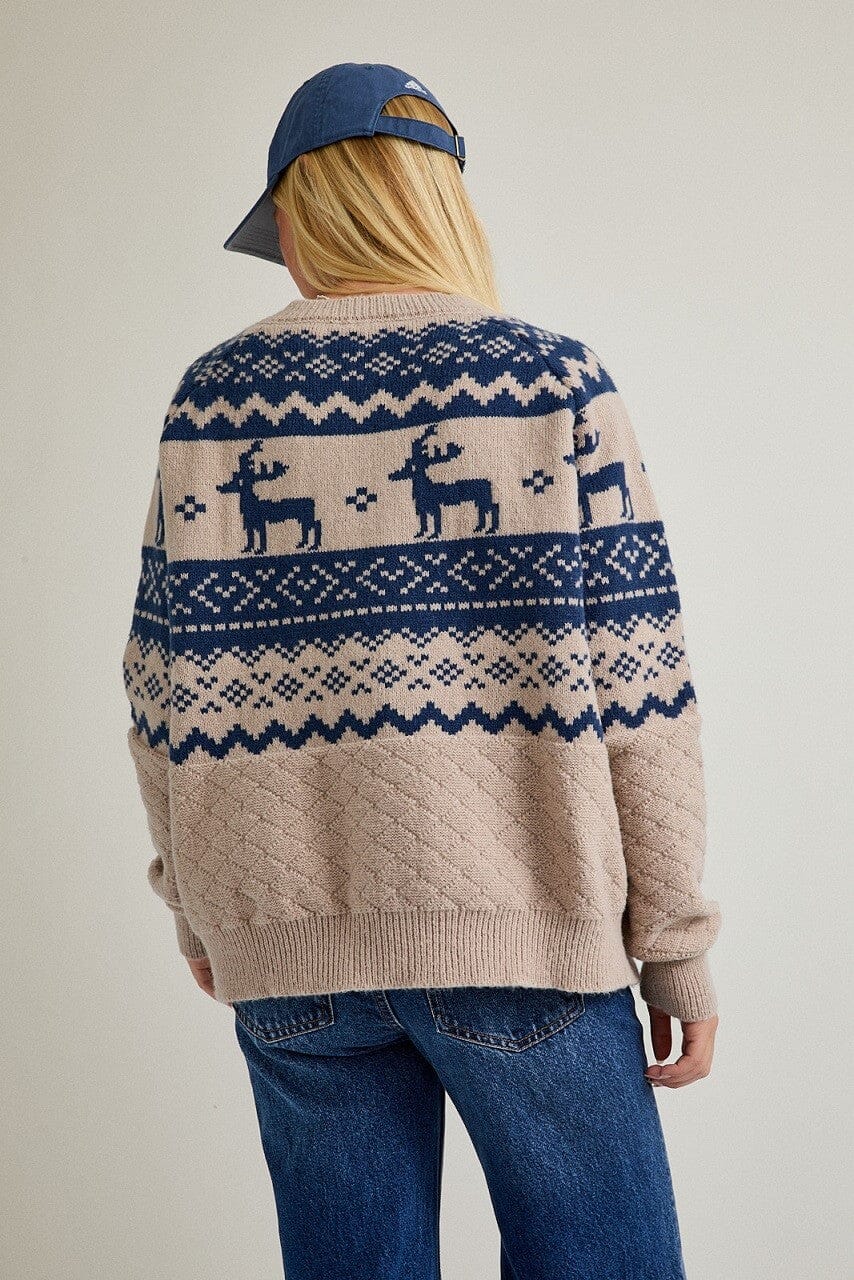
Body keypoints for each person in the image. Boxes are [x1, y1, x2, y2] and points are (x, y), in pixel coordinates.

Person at [122, 61, 721, 1279]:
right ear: (441, 206)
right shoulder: (552, 384)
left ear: (301, 214)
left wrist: (196, 903)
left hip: (292, 957)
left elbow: (161, 687)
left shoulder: (213, 402)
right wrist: (676, 945)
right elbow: (642, 692)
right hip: (524, 941)